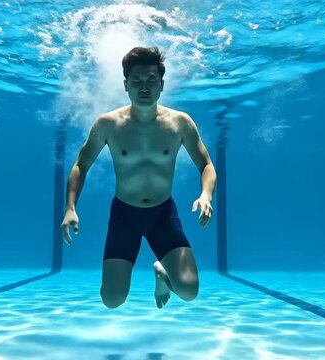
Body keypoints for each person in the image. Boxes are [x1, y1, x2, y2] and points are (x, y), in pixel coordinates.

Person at [60, 46, 216, 309]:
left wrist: (206, 195)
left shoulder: (180, 123)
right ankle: (128, 277)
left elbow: (206, 165)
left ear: (161, 84)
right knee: (112, 300)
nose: (144, 88)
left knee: (189, 291)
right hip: (125, 215)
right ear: (126, 85)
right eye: (137, 81)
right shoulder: (108, 124)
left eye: (151, 81)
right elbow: (80, 166)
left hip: (163, 215)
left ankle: (162, 272)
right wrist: (70, 208)